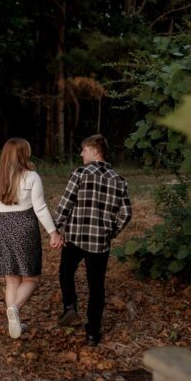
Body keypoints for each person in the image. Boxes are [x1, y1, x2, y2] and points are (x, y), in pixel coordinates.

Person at [53, 134, 132, 346]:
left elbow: (66, 203)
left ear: (94, 150)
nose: (81, 154)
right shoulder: (118, 179)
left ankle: (70, 306)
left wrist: (54, 228)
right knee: (96, 286)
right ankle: (93, 333)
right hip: (99, 243)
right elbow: (126, 214)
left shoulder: (80, 173)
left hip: (76, 238)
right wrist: (110, 232)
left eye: (84, 150)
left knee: (65, 272)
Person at [0, 138, 63, 339]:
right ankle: (15, 310)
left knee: (11, 278)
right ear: (22, 155)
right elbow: (40, 208)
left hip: (2, 226)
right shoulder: (31, 177)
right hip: (25, 226)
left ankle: (13, 320)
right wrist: (53, 232)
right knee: (32, 278)